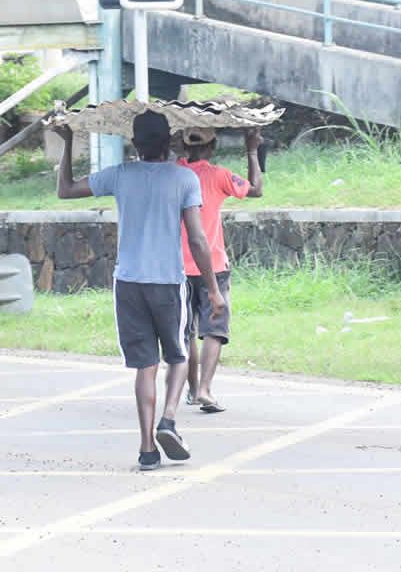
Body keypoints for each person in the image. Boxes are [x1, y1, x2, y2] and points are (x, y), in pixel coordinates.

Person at [56, 112, 227, 471]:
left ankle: (148, 448)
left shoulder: (120, 175)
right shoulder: (184, 178)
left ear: (135, 144)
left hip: (129, 283)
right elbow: (197, 238)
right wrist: (213, 289)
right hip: (167, 281)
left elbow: (66, 189)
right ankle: (168, 418)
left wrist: (69, 141)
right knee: (178, 355)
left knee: (144, 366)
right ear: (170, 143)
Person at [176, 127, 264, 414]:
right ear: (212, 147)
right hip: (212, 265)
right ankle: (205, 389)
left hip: (176, 266)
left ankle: (190, 390)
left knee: (187, 331)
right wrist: (251, 149)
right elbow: (256, 188)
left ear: (183, 146)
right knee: (214, 329)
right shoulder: (219, 175)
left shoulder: (172, 173)